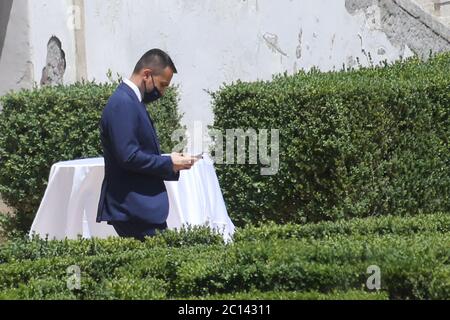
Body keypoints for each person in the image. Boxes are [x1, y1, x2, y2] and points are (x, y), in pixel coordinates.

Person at [96, 49, 197, 241]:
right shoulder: (123, 103)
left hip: (140, 208)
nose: (163, 92)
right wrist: (168, 163)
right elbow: (129, 156)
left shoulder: (132, 101)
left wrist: (171, 162)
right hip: (133, 208)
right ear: (147, 75)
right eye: (162, 85)